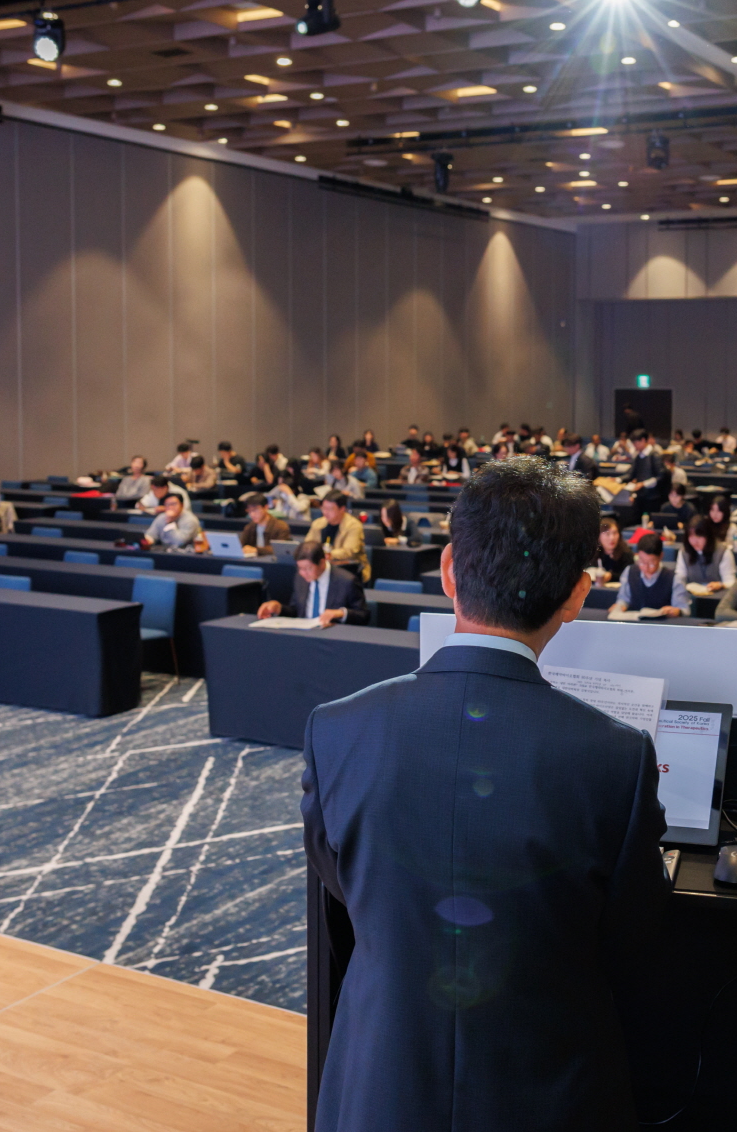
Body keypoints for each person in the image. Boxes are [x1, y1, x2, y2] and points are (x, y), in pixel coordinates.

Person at [302, 456, 666, 1131]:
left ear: (448, 570)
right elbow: (633, 940)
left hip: (378, 1082)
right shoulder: (618, 756)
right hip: (546, 1093)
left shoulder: (336, 729)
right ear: (577, 596)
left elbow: (344, 885)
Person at [259, 540, 369, 626]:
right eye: (300, 568)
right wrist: (279, 608)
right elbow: (297, 611)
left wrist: (340, 613)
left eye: (308, 568)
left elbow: (363, 616)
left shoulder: (346, 581)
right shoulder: (300, 578)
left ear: (322, 563)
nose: (303, 573)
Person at [614, 533, 684, 617]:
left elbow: (684, 609)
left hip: (662, 623)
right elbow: (623, 599)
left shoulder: (674, 578)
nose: (646, 567)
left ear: (661, 556)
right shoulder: (629, 571)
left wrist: (676, 611)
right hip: (635, 621)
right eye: (642, 561)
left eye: (651, 563)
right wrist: (619, 606)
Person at [306, 494, 371, 583]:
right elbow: (308, 546)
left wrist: (328, 555)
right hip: (323, 567)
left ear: (342, 509)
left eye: (330, 509)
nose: (325, 512)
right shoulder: (318, 523)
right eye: (324, 508)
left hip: (349, 569)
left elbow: (349, 552)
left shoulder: (354, 526)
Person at [677, 516, 735, 592]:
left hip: (718, 596)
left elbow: (731, 582)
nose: (694, 541)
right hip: (691, 596)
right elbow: (679, 578)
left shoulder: (723, 552)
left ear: (708, 536)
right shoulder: (684, 552)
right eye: (690, 536)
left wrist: (721, 585)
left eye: (699, 536)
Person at [592, 515, 631, 583]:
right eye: (607, 534)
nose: (612, 538)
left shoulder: (626, 554)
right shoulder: (593, 553)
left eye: (615, 533)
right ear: (599, 537)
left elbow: (629, 576)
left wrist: (611, 576)